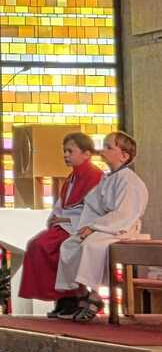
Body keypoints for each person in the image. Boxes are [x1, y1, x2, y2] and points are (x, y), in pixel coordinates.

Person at [55, 131, 149, 322]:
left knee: (92, 245)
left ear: (124, 155)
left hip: (122, 228)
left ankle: (95, 297)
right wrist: (86, 227)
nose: (102, 150)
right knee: (70, 244)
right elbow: (92, 205)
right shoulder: (108, 178)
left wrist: (95, 227)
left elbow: (124, 213)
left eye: (108, 147)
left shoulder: (128, 180)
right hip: (105, 226)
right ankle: (82, 293)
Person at [18, 132, 103, 317]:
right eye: (64, 151)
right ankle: (64, 298)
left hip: (80, 227)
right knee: (36, 245)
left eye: (70, 151)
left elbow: (94, 209)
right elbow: (62, 204)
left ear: (87, 153)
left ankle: (74, 296)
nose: (65, 155)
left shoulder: (96, 177)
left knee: (47, 246)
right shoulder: (72, 178)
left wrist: (66, 220)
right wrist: (55, 217)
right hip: (66, 225)